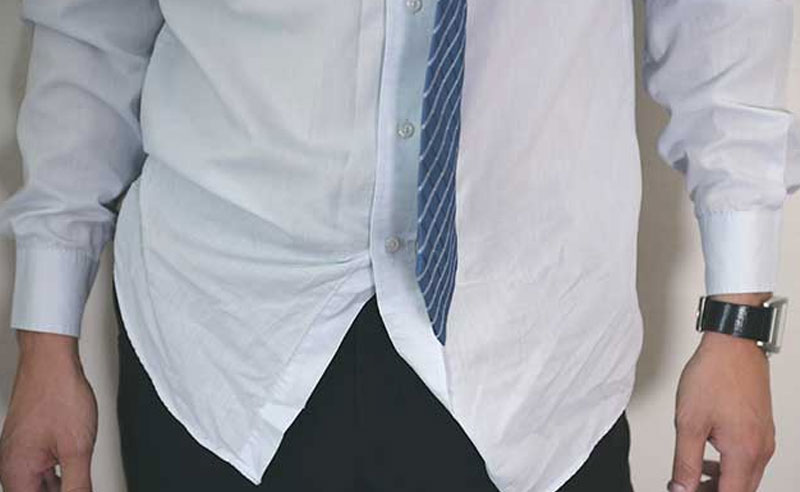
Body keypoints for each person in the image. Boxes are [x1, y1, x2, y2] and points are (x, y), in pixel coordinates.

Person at [0, 0, 797, 491]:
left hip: (530, 364)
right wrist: (45, 335)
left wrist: (739, 318)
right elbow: (88, 25)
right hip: (223, 346)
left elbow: (724, 19)